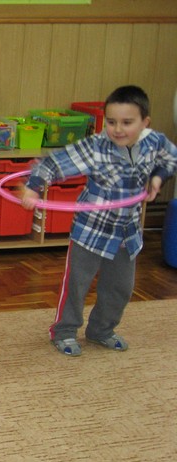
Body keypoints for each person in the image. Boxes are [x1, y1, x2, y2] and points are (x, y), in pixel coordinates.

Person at [21, 85, 177, 357]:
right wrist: (33, 187)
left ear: (145, 123)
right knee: (77, 284)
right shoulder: (95, 147)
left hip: (127, 232)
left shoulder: (154, 142)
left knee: (121, 288)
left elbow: (171, 157)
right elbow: (54, 163)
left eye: (127, 122)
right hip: (91, 231)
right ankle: (64, 331)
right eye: (111, 122)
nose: (117, 129)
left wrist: (157, 178)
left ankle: (101, 330)